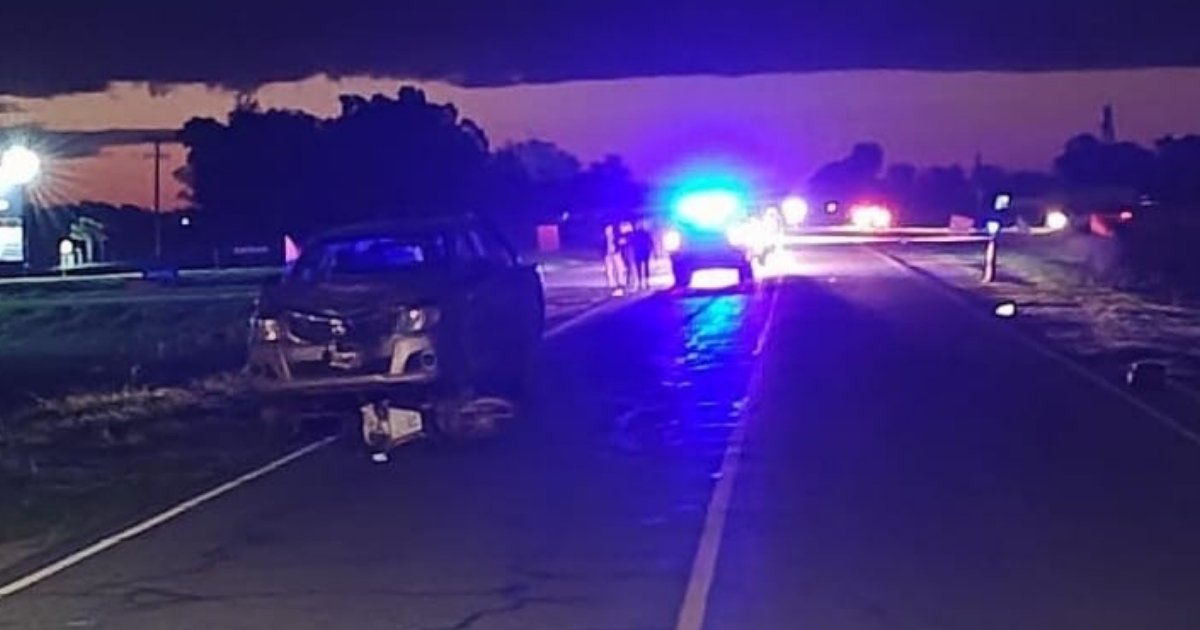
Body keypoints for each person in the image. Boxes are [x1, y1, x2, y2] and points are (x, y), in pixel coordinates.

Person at [630, 220, 654, 290]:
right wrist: (650, 249)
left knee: (641, 267)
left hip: (640, 251)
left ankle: (643, 282)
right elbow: (650, 242)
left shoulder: (636, 234)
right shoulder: (644, 233)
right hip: (643, 251)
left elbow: (632, 243)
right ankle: (645, 282)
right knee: (644, 267)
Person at [603, 223, 626, 295]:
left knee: (620, 269)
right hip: (608, 255)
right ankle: (612, 285)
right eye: (607, 230)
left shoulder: (616, 236)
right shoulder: (604, 239)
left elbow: (621, 242)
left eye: (609, 230)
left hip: (616, 254)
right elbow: (602, 247)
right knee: (609, 270)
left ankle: (621, 283)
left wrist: (620, 244)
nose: (608, 231)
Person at [617, 221, 636, 291]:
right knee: (627, 268)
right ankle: (628, 282)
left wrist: (624, 241)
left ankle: (633, 283)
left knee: (631, 267)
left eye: (622, 227)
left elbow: (627, 242)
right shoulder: (622, 236)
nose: (620, 229)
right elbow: (620, 243)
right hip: (625, 254)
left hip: (629, 254)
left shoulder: (630, 235)